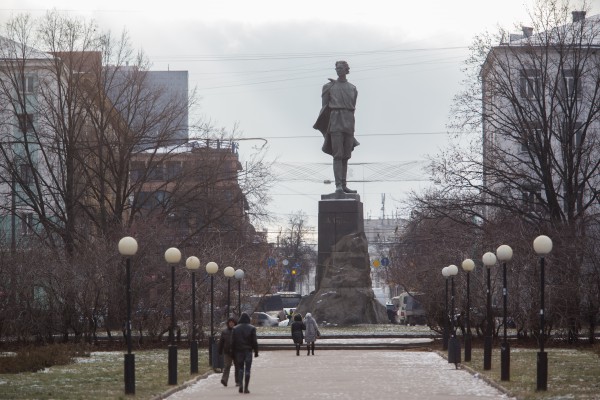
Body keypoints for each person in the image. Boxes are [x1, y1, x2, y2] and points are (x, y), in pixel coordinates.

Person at [313, 60, 359, 194]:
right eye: (337, 68)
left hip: (349, 121)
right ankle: (338, 186)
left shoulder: (353, 88)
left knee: (346, 156)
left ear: (346, 69)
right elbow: (324, 108)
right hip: (335, 121)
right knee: (338, 155)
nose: (338, 70)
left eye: (341, 68)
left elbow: (353, 106)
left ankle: (344, 185)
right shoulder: (328, 87)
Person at [231, 312, 258, 394]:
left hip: (238, 351)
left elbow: (233, 342)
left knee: (240, 368)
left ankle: (240, 385)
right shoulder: (252, 328)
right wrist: (256, 351)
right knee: (248, 369)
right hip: (248, 351)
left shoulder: (235, 329)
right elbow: (254, 341)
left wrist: (232, 352)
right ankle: (246, 388)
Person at [217, 316, 238, 387]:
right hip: (227, 352)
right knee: (227, 366)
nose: (231, 324)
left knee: (237, 366)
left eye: (232, 322)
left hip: (236, 352)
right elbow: (221, 342)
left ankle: (238, 381)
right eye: (230, 322)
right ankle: (224, 380)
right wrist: (220, 350)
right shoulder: (224, 332)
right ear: (228, 323)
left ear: (235, 323)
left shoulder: (238, 331)